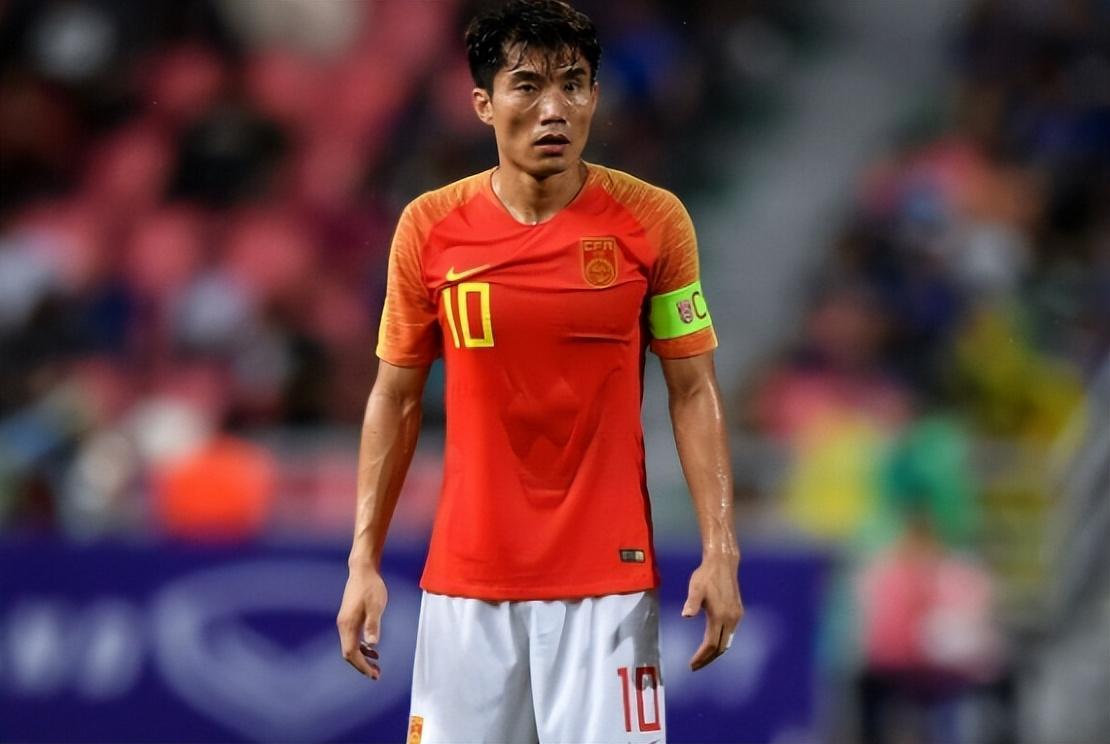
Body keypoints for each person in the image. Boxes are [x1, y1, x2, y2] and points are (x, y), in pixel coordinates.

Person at [336, 1, 743, 741]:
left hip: (608, 584)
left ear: (595, 97)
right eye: (527, 85)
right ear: (483, 104)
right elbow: (394, 399)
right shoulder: (429, 228)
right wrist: (363, 560)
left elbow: (693, 389)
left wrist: (721, 549)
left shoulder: (654, 221)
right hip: (466, 584)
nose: (554, 108)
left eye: (574, 84)